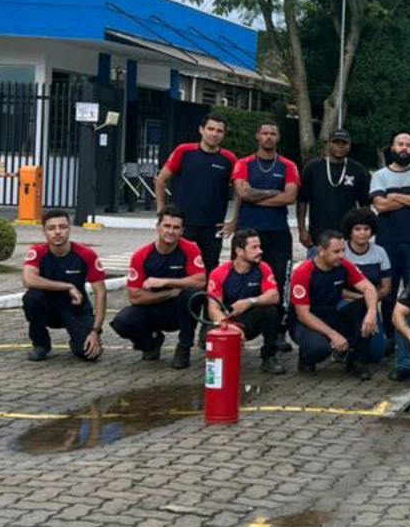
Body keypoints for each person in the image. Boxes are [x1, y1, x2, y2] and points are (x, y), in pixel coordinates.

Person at [110, 207, 207, 368]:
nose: (171, 231)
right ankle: (151, 342)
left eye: (176, 228)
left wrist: (165, 282)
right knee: (122, 321)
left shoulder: (190, 249)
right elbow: (134, 296)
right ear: (158, 228)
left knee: (193, 295)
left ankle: (184, 347)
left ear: (182, 230)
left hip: (179, 311)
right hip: (152, 308)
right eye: (167, 226)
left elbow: (200, 281)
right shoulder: (141, 255)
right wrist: (170, 292)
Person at [230, 121, 300, 316]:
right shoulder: (244, 163)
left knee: (279, 279)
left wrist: (254, 197)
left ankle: (278, 329)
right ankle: (234, 322)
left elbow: (290, 197)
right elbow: (242, 193)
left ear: (277, 137)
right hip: (247, 232)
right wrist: (272, 192)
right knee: (240, 277)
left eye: (273, 133)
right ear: (257, 136)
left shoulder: (288, 165)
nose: (268, 137)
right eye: (265, 133)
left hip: (277, 232)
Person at [288, 230, 379, 378]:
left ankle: (357, 362)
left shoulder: (343, 265)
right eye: (336, 251)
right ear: (321, 251)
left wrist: (372, 313)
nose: (342, 255)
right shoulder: (303, 272)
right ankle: (306, 358)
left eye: (343, 250)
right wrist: (333, 335)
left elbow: (368, 288)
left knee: (364, 305)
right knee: (319, 348)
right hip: (305, 322)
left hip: (331, 315)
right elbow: (303, 314)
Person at [22, 210, 106, 362]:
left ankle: (78, 340)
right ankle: (40, 344)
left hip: (76, 310)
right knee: (32, 298)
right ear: (44, 231)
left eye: (62, 227)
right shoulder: (38, 251)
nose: (58, 232)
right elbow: (28, 279)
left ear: (69, 229)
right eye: (51, 228)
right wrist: (67, 286)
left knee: (89, 354)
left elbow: (100, 292)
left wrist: (95, 331)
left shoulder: (86, 254)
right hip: (48, 309)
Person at [155, 113, 236, 270]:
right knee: (176, 267)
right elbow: (161, 179)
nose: (214, 134)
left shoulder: (229, 159)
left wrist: (234, 222)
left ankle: (204, 296)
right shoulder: (184, 151)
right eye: (210, 129)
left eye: (219, 131)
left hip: (213, 227)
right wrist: (161, 210)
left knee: (210, 269)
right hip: (182, 225)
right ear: (201, 130)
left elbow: (240, 191)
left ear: (223, 134)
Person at [205, 228, 284, 375]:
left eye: (259, 246)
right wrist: (229, 326)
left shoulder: (263, 268)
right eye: (254, 247)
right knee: (209, 338)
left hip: (251, 320)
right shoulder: (220, 272)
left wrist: (249, 301)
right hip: (228, 321)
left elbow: (274, 295)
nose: (260, 251)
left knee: (271, 310)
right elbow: (213, 308)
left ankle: (269, 356)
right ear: (239, 251)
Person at [369, 132, 410, 312]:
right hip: (387, 242)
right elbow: (380, 206)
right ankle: (390, 336)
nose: (404, 148)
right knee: (388, 293)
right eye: (400, 144)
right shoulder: (380, 176)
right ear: (392, 147)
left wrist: (395, 195)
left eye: (408, 145)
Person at [297, 129, 370, 253]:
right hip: (318, 236)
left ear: (349, 146)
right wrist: (302, 230)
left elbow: (364, 205)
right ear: (329, 144)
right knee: (317, 270)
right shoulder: (313, 168)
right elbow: (302, 201)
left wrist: (364, 232)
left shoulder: (358, 170)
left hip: (348, 238)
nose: (340, 146)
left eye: (344, 143)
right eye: (336, 142)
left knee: (347, 272)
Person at [341, 208, 394, 363]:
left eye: (366, 229)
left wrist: (369, 300)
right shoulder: (341, 252)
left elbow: (386, 288)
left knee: (376, 354)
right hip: (344, 303)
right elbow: (335, 287)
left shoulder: (380, 252)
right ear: (349, 231)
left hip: (369, 305)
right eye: (357, 229)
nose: (362, 233)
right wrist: (360, 298)